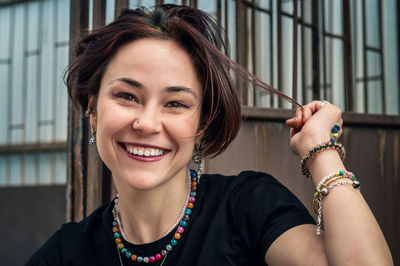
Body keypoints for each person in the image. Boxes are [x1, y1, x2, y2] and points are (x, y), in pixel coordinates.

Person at [27, 4, 393, 266]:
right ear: (93, 110)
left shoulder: (248, 208)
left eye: (175, 104)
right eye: (127, 96)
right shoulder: (66, 251)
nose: (148, 123)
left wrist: (320, 150)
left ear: (202, 124)